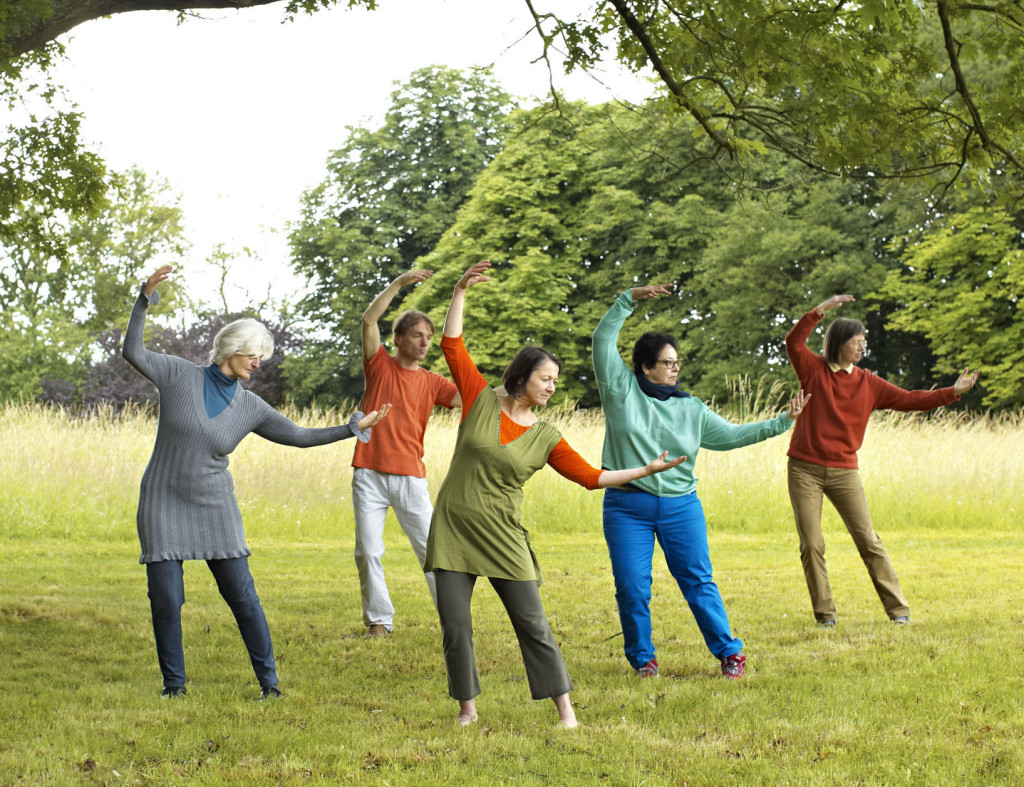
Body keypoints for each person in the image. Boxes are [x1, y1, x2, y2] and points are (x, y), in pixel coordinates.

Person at [425, 262, 686, 728]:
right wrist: (459, 291)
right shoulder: (480, 398)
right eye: (546, 378)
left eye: (555, 382)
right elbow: (452, 345)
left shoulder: (547, 436)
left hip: (503, 535)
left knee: (533, 625)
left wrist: (644, 470)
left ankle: (565, 710)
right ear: (523, 375)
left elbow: (590, 477)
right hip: (454, 528)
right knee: (456, 628)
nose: (551, 387)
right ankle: (467, 708)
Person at [123, 265, 390, 700]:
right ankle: (174, 687)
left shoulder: (251, 406)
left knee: (242, 597)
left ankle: (270, 685)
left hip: (215, 507)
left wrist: (352, 427)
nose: (259, 362)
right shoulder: (177, 375)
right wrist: (144, 299)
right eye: (254, 354)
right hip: (163, 501)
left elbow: (300, 437)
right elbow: (132, 351)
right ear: (233, 349)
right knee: (167, 601)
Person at [593, 284, 807, 680]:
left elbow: (730, 436)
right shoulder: (619, 389)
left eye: (677, 362)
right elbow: (603, 338)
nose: (675, 368)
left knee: (698, 580)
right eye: (667, 362)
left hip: (680, 507)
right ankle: (643, 660)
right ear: (644, 366)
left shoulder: (692, 408)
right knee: (632, 587)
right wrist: (629, 298)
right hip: (627, 507)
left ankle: (730, 654)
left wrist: (782, 422)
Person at [785, 294, 979, 627]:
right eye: (857, 342)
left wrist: (953, 391)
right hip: (805, 468)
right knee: (812, 544)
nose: (862, 348)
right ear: (840, 343)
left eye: (864, 343)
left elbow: (910, 399)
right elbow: (793, 341)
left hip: (845, 470)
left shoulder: (868, 382)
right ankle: (825, 616)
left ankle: (899, 612)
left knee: (869, 541)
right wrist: (820, 310)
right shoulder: (813, 369)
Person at [352, 270, 460, 639]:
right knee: (368, 552)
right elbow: (368, 320)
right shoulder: (378, 365)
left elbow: (470, 398)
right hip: (368, 473)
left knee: (433, 553)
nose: (425, 342)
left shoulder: (433, 382)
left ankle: (453, 622)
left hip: (411, 478)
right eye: (418, 335)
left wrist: (519, 388)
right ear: (398, 338)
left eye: (429, 337)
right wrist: (398, 283)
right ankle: (379, 622)